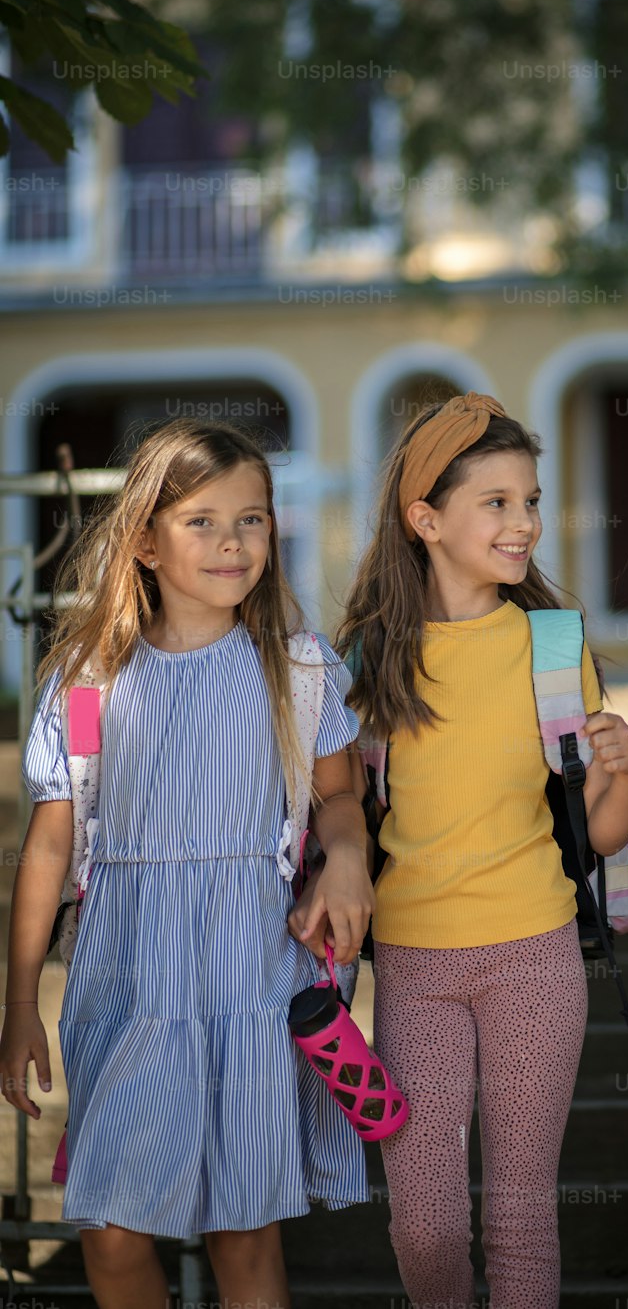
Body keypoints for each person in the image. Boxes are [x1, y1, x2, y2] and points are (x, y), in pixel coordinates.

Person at [0, 419, 374, 1309]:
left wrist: (350, 857)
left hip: (250, 966)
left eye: (252, 519)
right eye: (202, 520)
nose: (231, 542)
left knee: (245, 1235)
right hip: (127, 973)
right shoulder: (88, 676)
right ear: (144, 540)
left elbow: (340, 798)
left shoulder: (298, 666)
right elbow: (51, 843)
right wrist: (20, 1005)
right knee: (113, 1231)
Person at [293, 391, 628, 1309]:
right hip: (413, 965)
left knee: (523, 1216)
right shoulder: (366, 662)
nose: (524, 522)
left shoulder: (552, 644)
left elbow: (597, 836)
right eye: (497, 502)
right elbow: (338, 807)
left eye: (530, 500)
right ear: (426, 518)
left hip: (536, 954)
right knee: (426, 1221)